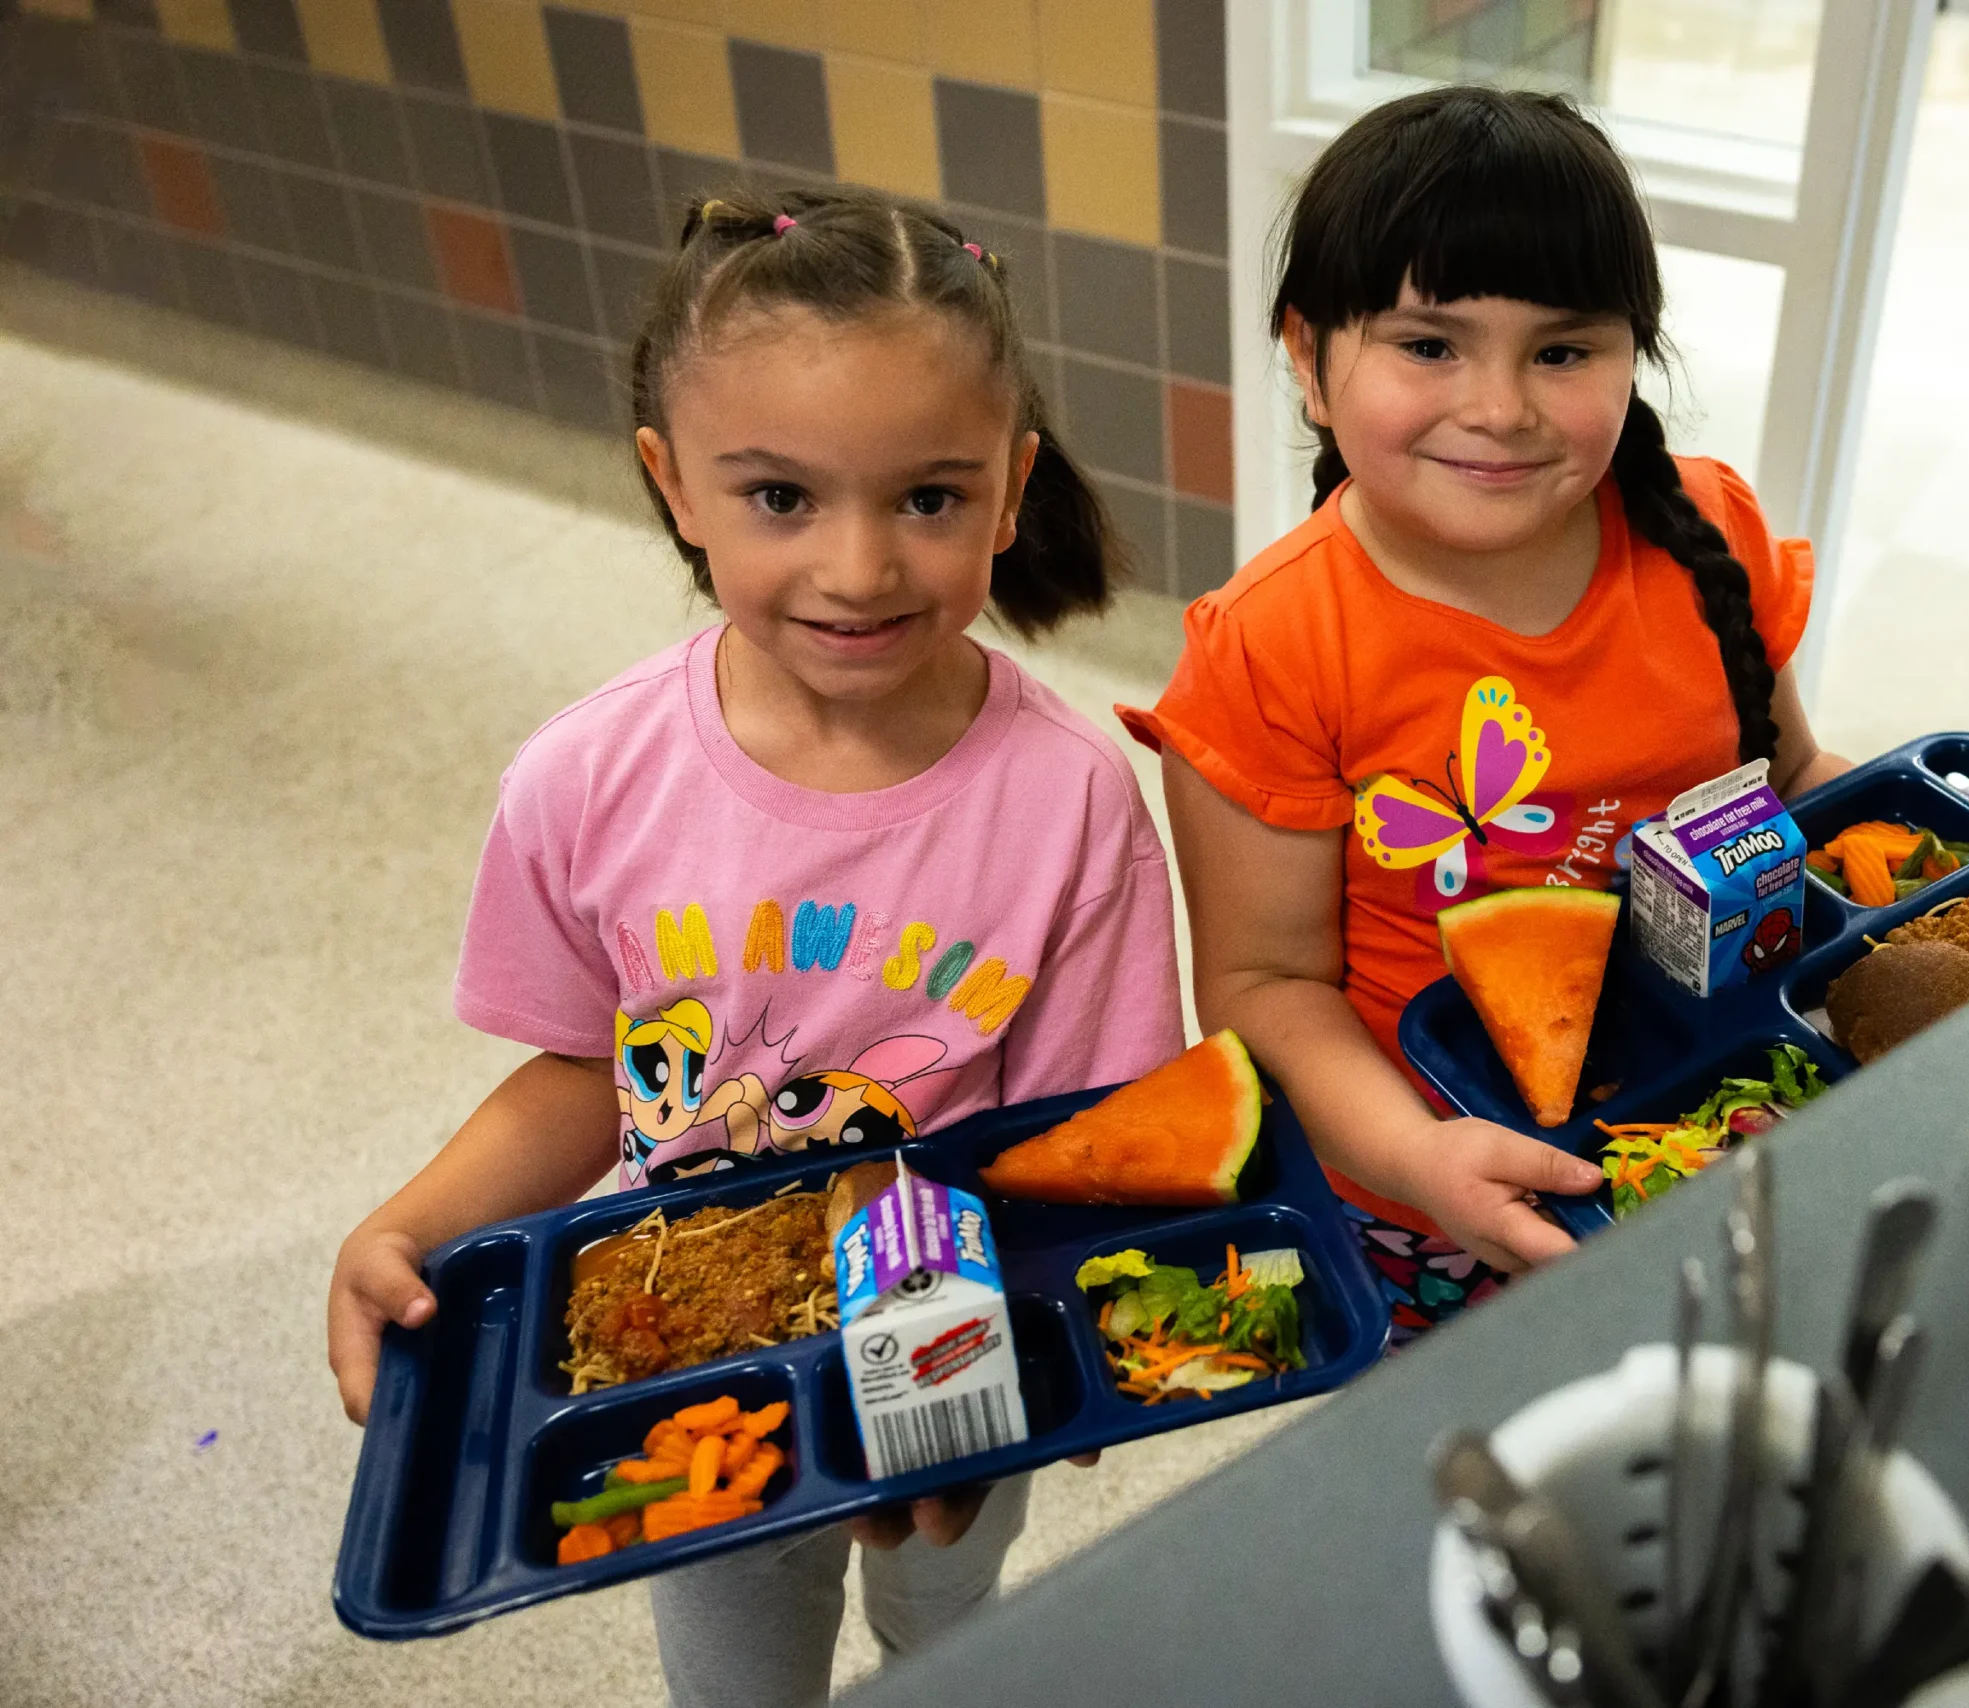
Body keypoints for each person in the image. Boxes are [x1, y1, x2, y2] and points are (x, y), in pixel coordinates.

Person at [326, 188, 1183, 1701]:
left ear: (1009, 489)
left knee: (950, 1634)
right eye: (781, 498)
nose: (858, 570)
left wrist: (1038, 1376)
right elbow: (584, 1071)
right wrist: (412, 1226)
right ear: (674, 485)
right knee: (734, 1681)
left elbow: (1091, 1152)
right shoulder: (582, 784)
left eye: (927, 498)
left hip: (963, 1361)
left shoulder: (1074, 801)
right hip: (693, 1368)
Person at [1121, 87, 1853, 1345]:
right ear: (1308, 357)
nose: (1501, 408)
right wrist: (1417, 1159)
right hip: (1425, 1192)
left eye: (1562, 351)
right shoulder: (1273, 645)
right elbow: (1261, 981)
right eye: (1428, 346)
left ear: (1635, 352)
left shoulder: (1708, 530)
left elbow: (1801, 779)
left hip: (1726, 1109)